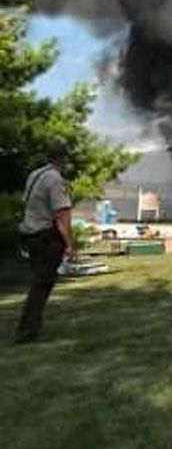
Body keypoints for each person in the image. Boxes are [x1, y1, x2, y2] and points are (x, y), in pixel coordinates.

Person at [15, 142, 74, 344]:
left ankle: (30, 328)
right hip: (46, 238)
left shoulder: (35, 175)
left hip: (30, 236)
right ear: (63, 159)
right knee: (41, 286)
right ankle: (27, 332)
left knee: (39, 283)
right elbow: (61, 215)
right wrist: (69, 244)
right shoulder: (55, 179)